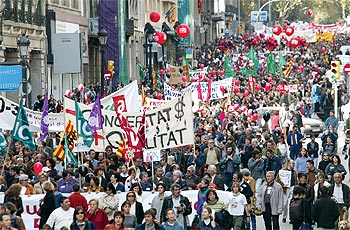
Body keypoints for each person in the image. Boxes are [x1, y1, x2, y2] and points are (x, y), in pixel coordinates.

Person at [276, 159, 298, 223]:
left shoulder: (294, 172)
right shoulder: (282, 171)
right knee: (285, 204)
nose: (293, 165)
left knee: (290, 204)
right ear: (288, 164)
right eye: (292, 163)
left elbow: (296, 180)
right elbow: (278, 180)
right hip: (285, 189)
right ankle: (284, 216)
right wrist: (283, 185)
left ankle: (291, 218)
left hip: (292, 187)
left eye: (294, 163)